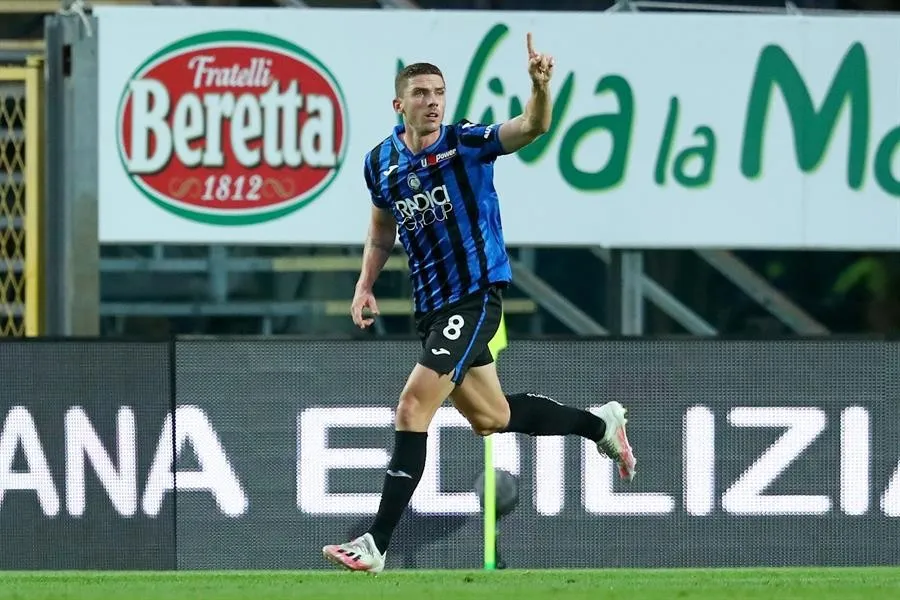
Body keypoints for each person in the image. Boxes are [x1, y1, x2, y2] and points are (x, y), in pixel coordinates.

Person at [322, 33, 636, 575]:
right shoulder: (381, 163)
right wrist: (364, 285)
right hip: (432, 307)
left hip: (473, 298)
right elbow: (381, 233)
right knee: (494, 418)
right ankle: (601, 425)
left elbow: (531, 127)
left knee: (412, 407)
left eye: (438, 91)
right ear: (400, 104)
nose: (433, 100)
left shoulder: (466, 142)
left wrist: (541, 88)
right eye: (420, 92)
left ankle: (375, 543)